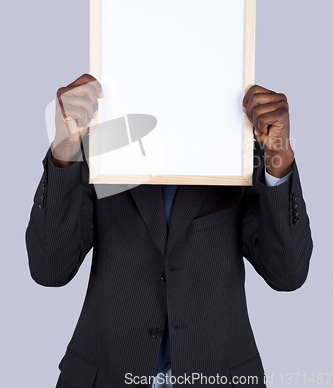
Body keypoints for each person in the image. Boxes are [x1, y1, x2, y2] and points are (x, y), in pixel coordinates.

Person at [26, 74, 313, 388]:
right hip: (106, 375)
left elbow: (287, 274)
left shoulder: (242, 141)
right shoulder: (101, 132)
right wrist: (66, 149)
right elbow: (50, 269)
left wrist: (278, 157)